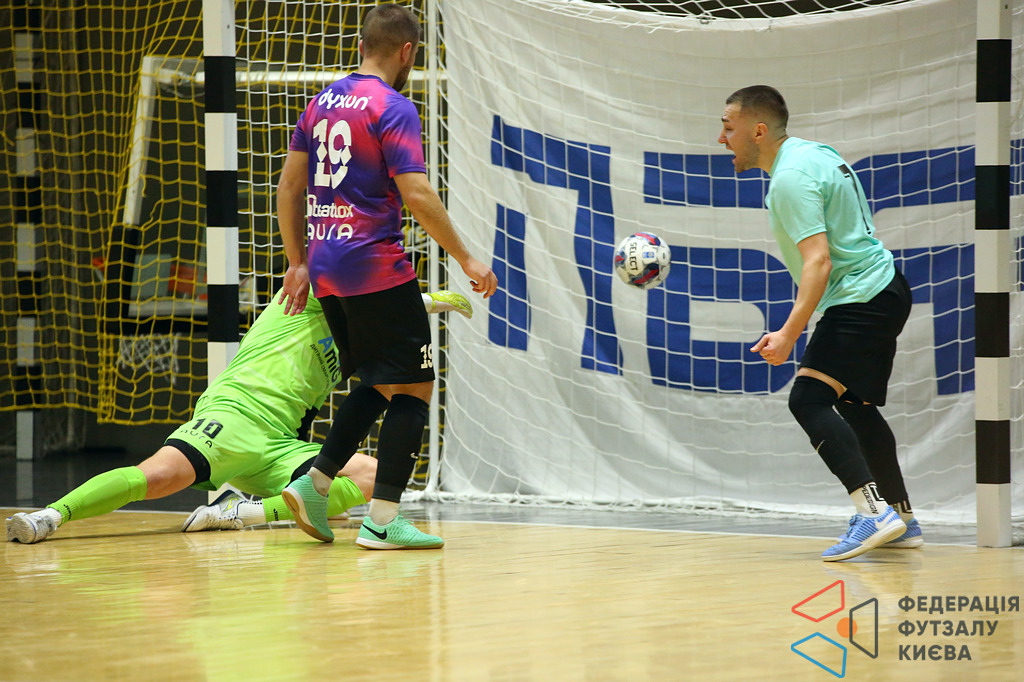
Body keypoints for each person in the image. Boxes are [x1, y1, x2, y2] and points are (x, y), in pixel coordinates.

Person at [276, 4, 496, 550]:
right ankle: (382, 520)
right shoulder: (393, 108)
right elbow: (416, 193)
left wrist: (297, 261)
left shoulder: (320, 103)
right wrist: (467, 258)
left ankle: (314, 484)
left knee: (379, 381)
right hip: (373, 264)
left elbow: (289, 187)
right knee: (416, 386)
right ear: (407, 52)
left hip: (325, 267)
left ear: (360, 46)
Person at [5, 288, 473, 545]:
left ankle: (237, 513)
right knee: (158, 477)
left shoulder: (356, 342)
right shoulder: (303, 295)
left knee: (369, 475)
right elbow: (362, 293)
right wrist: (425, 301)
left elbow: (381, 348)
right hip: (235, 415)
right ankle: (50, 516)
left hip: (281, 444)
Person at [718, 85, 921, 561]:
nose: (722, 138)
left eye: (728, 127)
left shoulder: (789, 178)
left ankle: (873, 513)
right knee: (855, 406)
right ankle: (901, 518)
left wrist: (789, 333)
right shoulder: (814, 153)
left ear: (758, 131)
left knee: (808, 399)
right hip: (886, 289)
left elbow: (819, 261)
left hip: (860, 299)